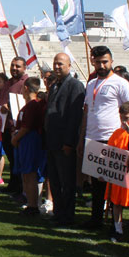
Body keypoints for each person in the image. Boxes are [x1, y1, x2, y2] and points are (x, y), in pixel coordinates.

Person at [79, 46, 129, 229]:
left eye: (105, 61)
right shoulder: (91, 84)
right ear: (92, 62)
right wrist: (83, 135)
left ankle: (116, 224)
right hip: (93, 137)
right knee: (96, 183)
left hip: (112, 138)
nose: (101, 65)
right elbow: (87, 111)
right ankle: (96, 219)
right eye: (97, 62)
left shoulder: (120, 83)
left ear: (111, 61)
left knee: (112, 183)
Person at [43, 53, 85, 226]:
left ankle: (67, 216)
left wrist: (69, 143)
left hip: (64, 143)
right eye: (55, 63)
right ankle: (58, 212)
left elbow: (75, 117)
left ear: (69, 65)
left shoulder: (75, 86)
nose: (57, 67)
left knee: (67, 182)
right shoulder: (55, 86)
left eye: (60, 64)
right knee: (54, 180)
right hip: (52, 141)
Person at [0, 57, 29, 199]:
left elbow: (27, 102)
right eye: (12, 65)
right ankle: (13, 186)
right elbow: (1, 100)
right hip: (5, 125)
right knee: (12, 159)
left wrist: (8, 107)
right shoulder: (9, 82)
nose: (14, 68)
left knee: (19, 160)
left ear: (24, 67)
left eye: (18, 66)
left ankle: (21, 189)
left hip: (17, 128)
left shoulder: (26, 83)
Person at [104, 101, 129, 243]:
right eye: (122, 117)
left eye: (127, 118)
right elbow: (108, 152)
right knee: (116, 203)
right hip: (117, 176)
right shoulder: (117, 133)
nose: (124, 121)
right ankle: (118, 229)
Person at [11, 77, 46, 216]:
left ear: (25, 88)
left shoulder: (32, 105)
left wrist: (15, 139)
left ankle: (33, 205)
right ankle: (31, 202)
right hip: (26, 141)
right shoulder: (30, 105)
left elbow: (27, 127)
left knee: (30, 173)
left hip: (30, 142)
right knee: (26, 173)